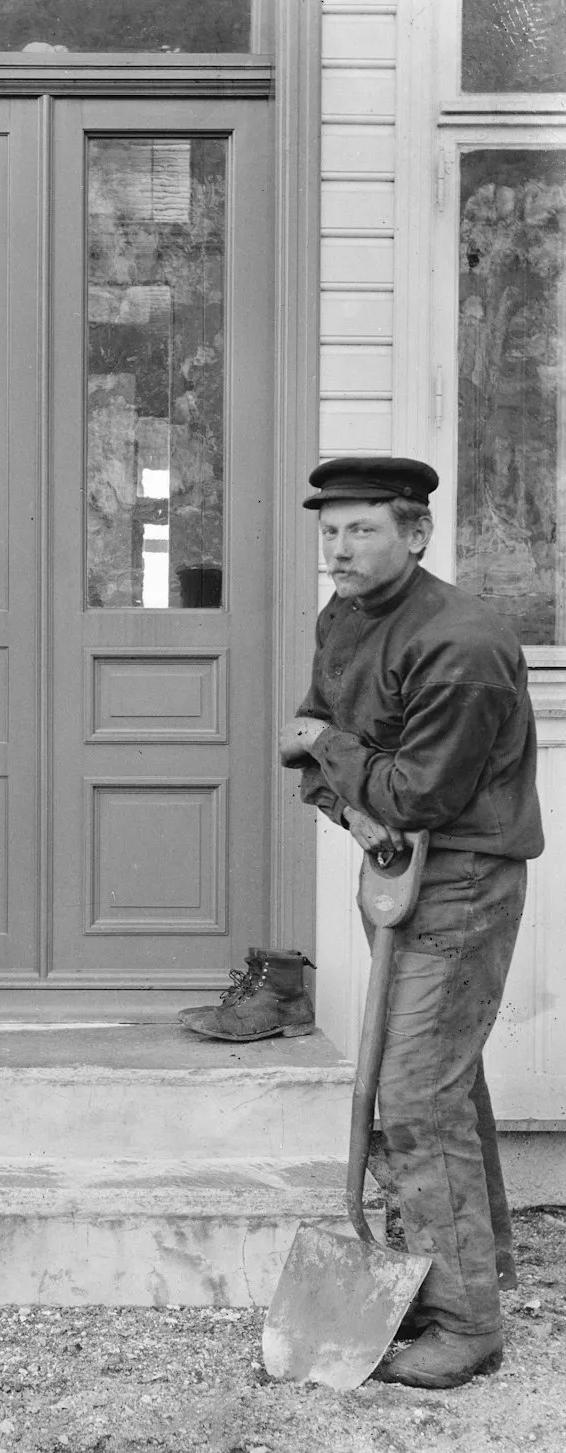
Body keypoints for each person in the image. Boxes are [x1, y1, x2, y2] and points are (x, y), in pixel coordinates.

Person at [272, 455, 542, 1389]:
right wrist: (347, 793)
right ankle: (472, 1269)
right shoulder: (345, 618)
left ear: (416, 533)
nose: (339, 549)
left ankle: (466, 1325)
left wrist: (332, 754)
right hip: (392, 868)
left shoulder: (460, 646)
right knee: (441, 1084)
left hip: (460, 879)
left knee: (418, 1094)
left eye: (363, 530)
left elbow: (412, 790)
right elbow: (319, 750)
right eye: (331, 531)